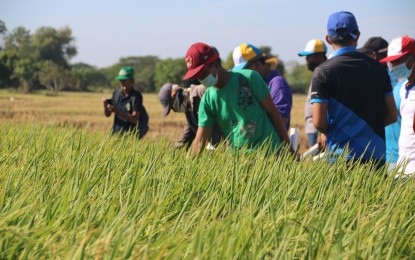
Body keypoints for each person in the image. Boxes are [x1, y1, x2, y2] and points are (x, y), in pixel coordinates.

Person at [311, 11, 397, 168]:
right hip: (375, 155)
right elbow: (392, 115)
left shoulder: (323, 71)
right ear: (357, 35)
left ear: (328, 39)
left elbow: (318, 122)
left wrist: (338, 131)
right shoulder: (379, 69)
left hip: (340, 157)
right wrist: (368, 128)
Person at [182, 42, 293, 155]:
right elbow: (199, 142)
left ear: (215, 65)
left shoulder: (249, 78)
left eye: (203, 73)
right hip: (240, 161)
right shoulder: (207, 100)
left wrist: (290, 150)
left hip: (272, 154)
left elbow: (274, 114)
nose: (201, 79)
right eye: (197, 76)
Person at [232, 43, 292, 130]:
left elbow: (281, 120)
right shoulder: (254, 83)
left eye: (245, 70)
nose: (242, 74)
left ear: (258, 65)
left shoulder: (276, 83)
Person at [380, 35, 415, 175]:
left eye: (397, 61)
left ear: (412, 58)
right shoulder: (402, 89)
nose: (393, 67)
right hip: (402, 167)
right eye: (391, 63)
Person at [158, 81, 222, 149]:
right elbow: (185, 138)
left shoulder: (202, 91)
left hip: (231, 140)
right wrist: (171, 154)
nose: (174, 110)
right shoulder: (190, 114)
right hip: (220, 147)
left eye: (172, 106)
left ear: (175, 95)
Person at [103, 66, 149, 138]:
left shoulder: (136, 96)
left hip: (131, 136)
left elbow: (134, 119)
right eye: (120, 80)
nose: (122, 83)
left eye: (125, 80)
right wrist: (105, 106)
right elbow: (107, 115)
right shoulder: (117, 93)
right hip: (116, 134)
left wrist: (117, 111)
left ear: (132, 81)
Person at [298, 39, 328, 148]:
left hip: (318, 130)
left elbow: (326, 105)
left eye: (309, 56)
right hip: (313, 128)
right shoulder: (318, 72)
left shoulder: (324, 73)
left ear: (320, 56)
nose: (306, 59)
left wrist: (321, 132)